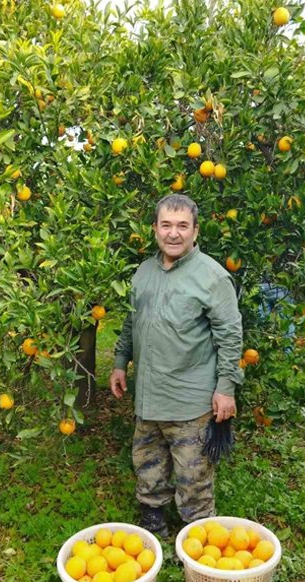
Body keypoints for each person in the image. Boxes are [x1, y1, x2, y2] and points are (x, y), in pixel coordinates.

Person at [110, 194, 244, 536]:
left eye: (182, 226)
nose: (173, 233)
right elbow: (130, 322)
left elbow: (230, 336)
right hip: (149, 396)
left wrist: (226, 389)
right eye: (166, 225)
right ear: (154, 228)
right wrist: (120, 362)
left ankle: (197, 537)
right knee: (147, 461)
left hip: (190, 400)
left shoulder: (212, 278)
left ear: (195, 231)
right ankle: (153, 518)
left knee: (193, 472)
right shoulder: (143, 272)